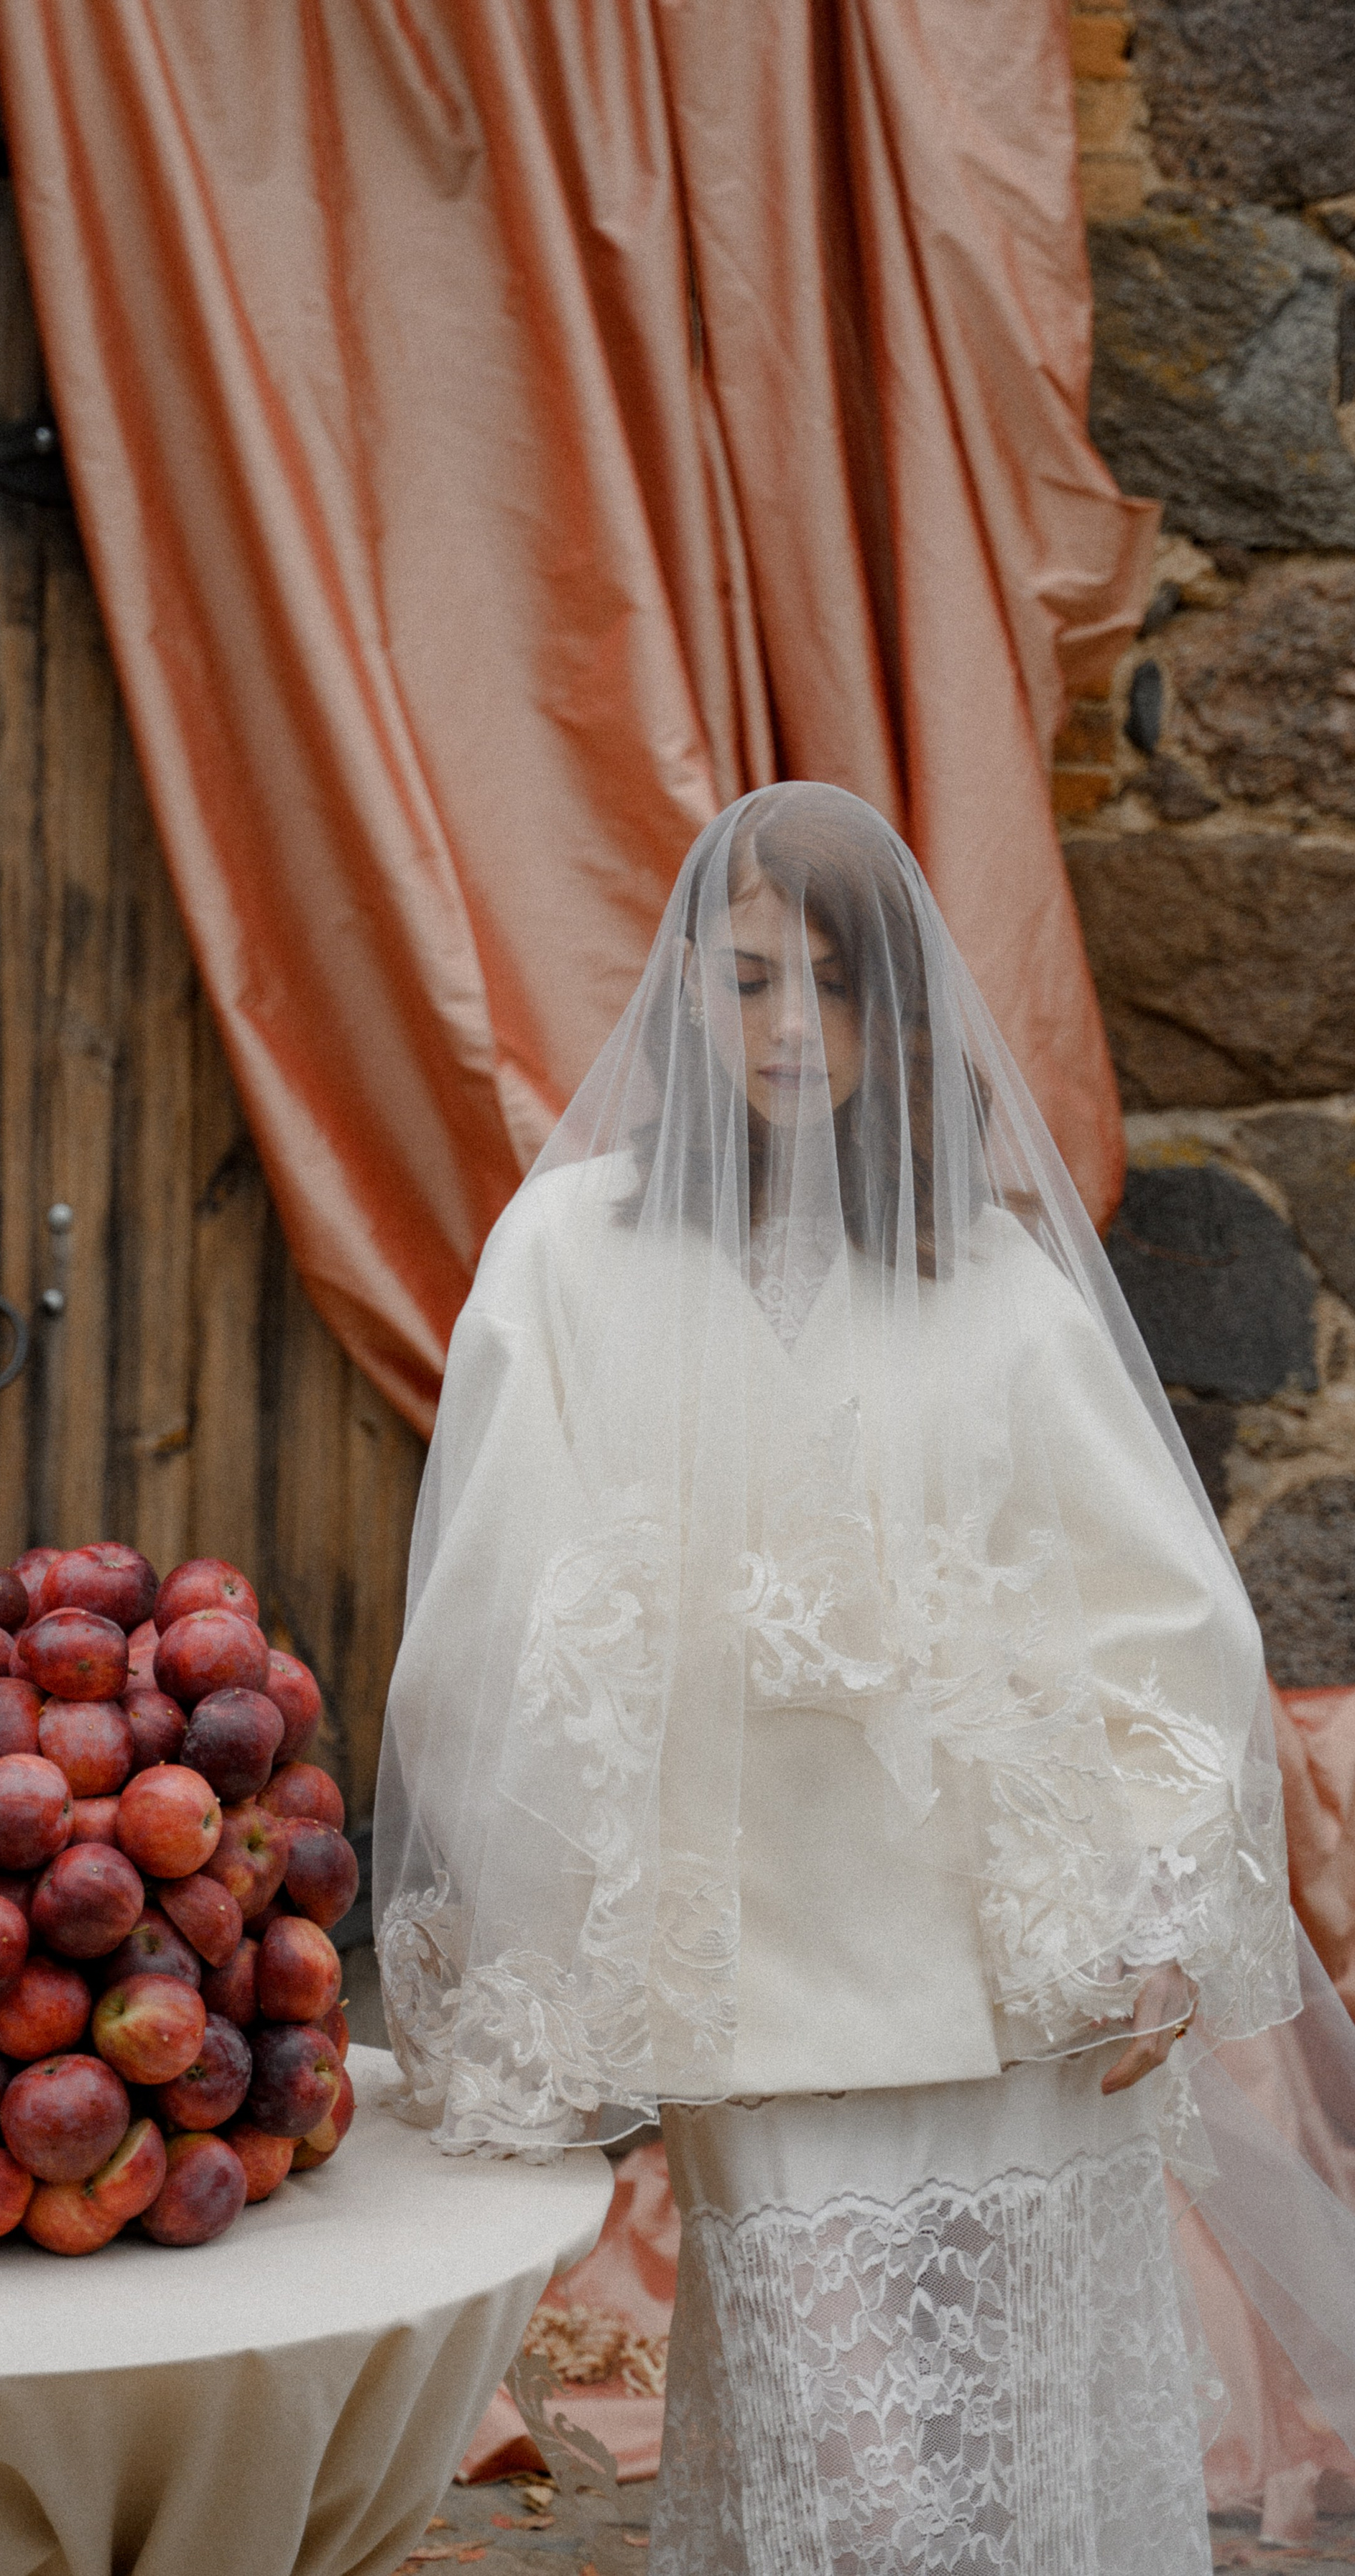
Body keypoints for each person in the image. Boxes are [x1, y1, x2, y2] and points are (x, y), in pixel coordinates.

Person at [371, 783, 1352, 2574]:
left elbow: (1154, 1614)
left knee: (1021, 2446)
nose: (786, 1031)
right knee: (859, 2485)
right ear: (683, 985)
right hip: (758, 1993)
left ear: (899, 1010)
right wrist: (565, 1937)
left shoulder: (994, 1280)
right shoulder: (566, 1256)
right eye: (747, 979)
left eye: (832, 987)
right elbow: (485, 1623)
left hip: (1012, 1983)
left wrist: (1149, 1898)